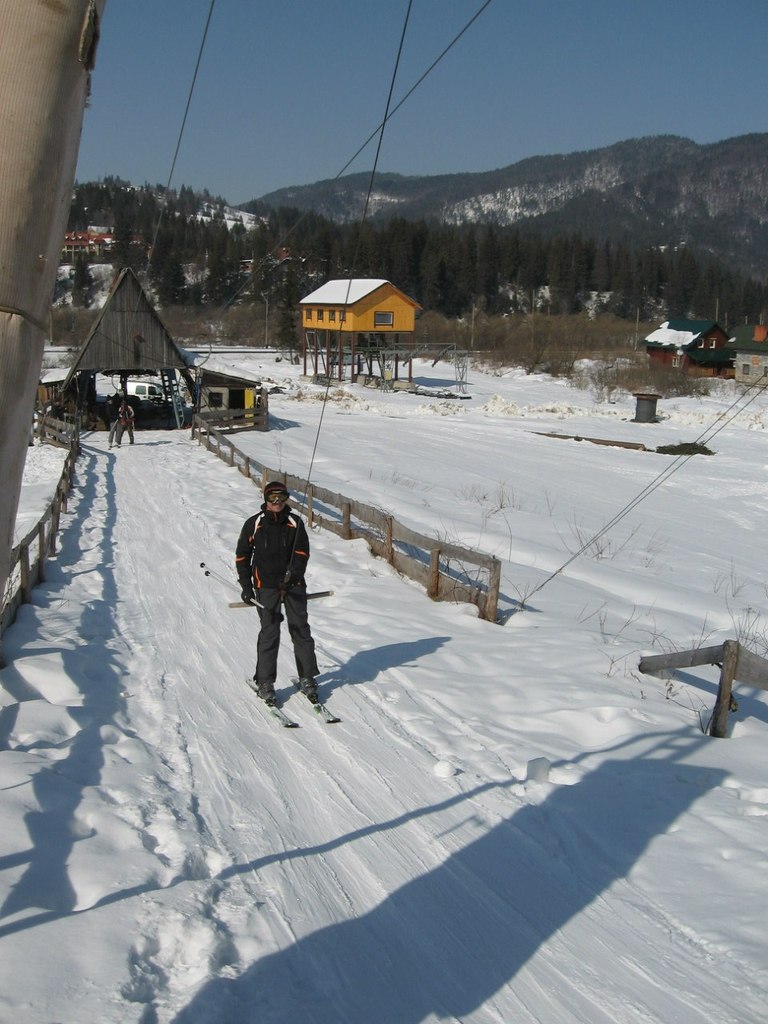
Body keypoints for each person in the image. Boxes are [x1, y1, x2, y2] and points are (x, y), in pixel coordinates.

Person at [235, 481, 320, 706]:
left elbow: (302, 553)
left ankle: (307, 677)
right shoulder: (254, 524)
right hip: (266, 585)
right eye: (272, 498)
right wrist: (246, 586)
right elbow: (242, 556)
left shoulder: (295, 523)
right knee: (270, 632)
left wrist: (293, 575)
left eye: (282, 498)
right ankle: (265, 682)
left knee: (300, 629)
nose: (277, 503)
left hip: (293, 585)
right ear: (265, 499)